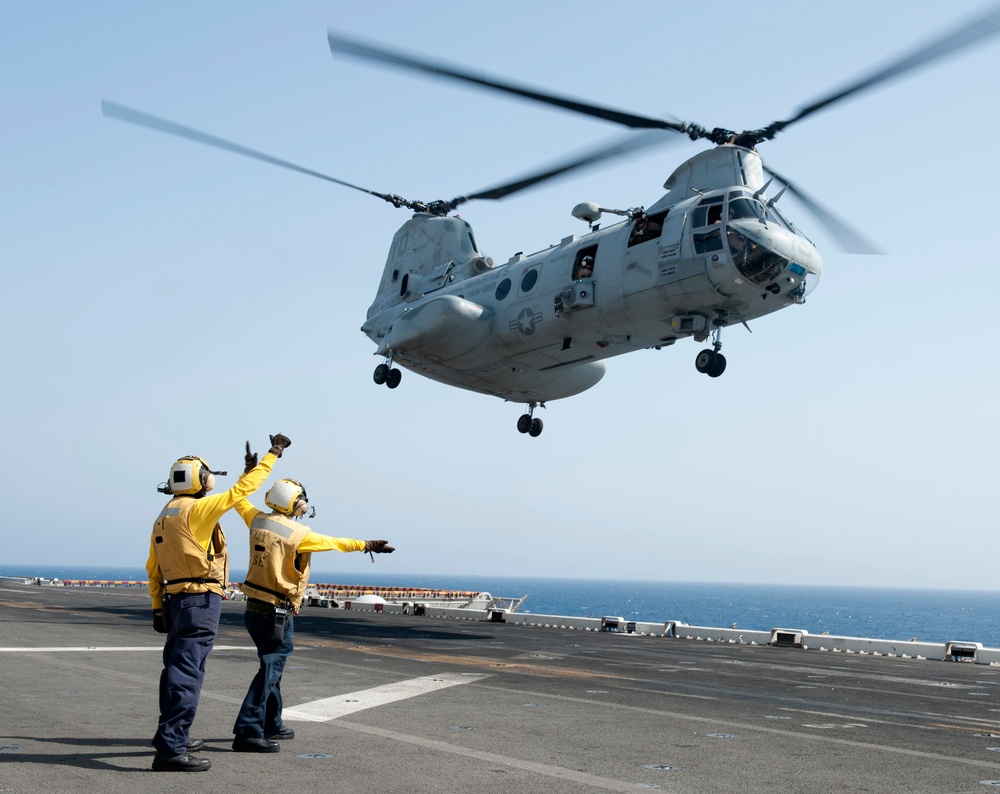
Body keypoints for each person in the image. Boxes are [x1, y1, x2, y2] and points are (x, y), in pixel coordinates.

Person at [146, 433, 292, 772]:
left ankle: (171, 735)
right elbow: (242, 492)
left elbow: (153, 566)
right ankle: (170, 748)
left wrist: (157, 607)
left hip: (173, 600)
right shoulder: (199, 509)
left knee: (174, 672)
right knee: (187, 675)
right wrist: (274, 454)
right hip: (200, 601)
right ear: (200, 479)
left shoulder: (165, 514)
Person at [230, 472, 394, 752]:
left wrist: (248, 472)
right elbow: (335, 543)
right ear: (296, 504)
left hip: (253, 610)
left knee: (272, 668)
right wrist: (366, 545)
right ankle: (247, 730)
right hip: (276, 613)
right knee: (271, 668)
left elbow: (239, 499)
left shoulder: (256, 519)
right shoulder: (299, 534)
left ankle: (272, 723)